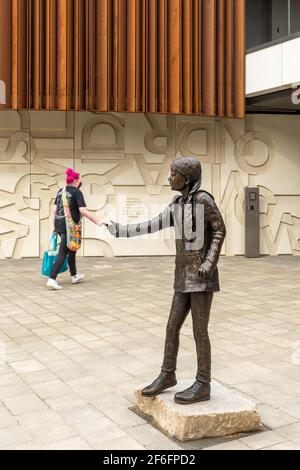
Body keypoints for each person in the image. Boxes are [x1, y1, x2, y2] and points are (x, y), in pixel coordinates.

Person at [107, 157, 226, 404]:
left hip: (202, 277)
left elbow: (219, 229)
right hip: (182, 275)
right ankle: (167, 374)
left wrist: (210, 262)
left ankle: (203, 383)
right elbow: (152, 224)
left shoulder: (204, 200)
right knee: (172, 327)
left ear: (188, 178)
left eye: (174, 174)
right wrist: (121, 230)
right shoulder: (176, 204)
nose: (169, 178)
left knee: (199, 331)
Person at [46, 168, 102, 290]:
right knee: (64, 251)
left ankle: (74, 275)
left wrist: (53, 226)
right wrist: (97, 220)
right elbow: (82, 210)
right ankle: (52, 278)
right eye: (80, 180)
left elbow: (54, 210)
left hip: (60, 224)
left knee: (72, 248)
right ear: (76, 181)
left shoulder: (61, 191)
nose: (81, 182)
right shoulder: (77, 192)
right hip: (69, 226)